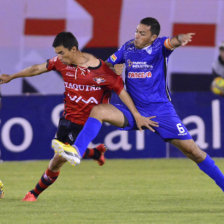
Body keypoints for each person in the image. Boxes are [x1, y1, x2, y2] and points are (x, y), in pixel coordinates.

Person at [54, 17, 224, 192]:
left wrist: (180, 39)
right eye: (136, 31)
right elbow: (105, 67)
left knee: (194, 152)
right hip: (134, 110)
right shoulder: (127, 48)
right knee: (98, 110)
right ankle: (76, 150)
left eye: (142, 33)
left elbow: (172, 42)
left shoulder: (159, 47)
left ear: (153, 37)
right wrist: (113, 69)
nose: (137, 36)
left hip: (161, 111)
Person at [0, 32, 158, 201]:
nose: (58, 57)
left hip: (87, 123)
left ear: (73, 49)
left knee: (57, 160)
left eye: (61, 52)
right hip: (67, 119)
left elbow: (121, 92)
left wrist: (136, 115)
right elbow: (37, 68)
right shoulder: (61, 63)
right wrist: (12, 77)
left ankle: (33, 193)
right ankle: (95, 153)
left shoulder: (100, 70)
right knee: (60, 155)